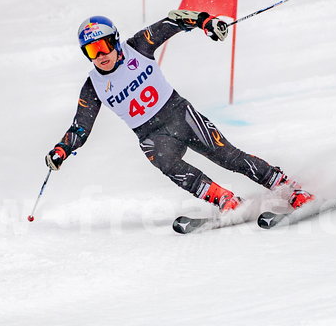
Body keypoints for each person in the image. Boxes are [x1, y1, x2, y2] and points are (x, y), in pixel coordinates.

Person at [46, 12, 315, 213]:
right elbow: (80, 128)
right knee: (169, 165)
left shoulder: (138, 46)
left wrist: (206, 22)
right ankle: (224, 199)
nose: (101, 55)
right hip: (151, 135)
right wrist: (61, 150)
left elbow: (174, 20)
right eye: (92, 51)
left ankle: (290, 189)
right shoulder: (93, 86)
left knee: (228, 157)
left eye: (104, 46)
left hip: (180, 114)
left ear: (115, 41)